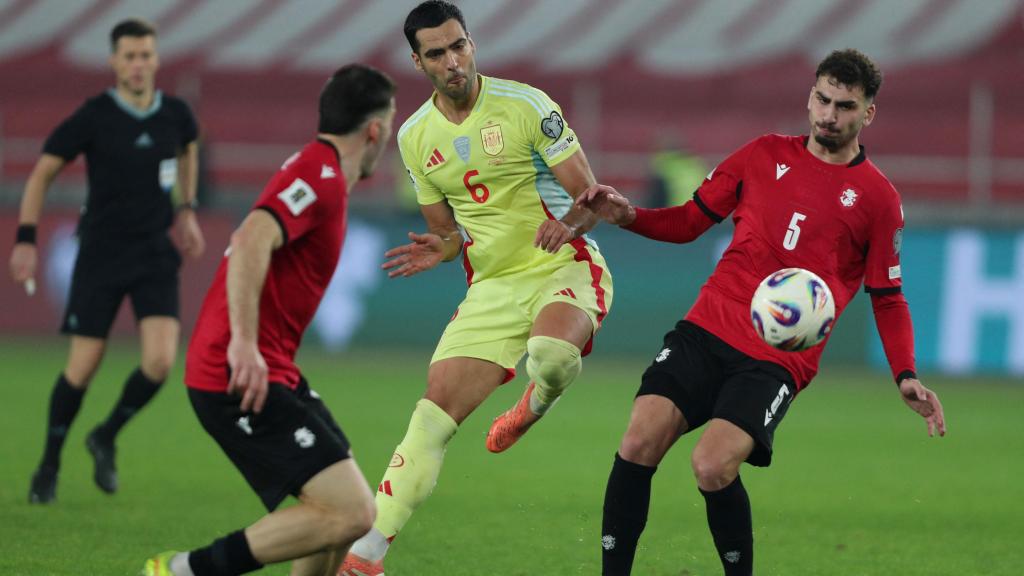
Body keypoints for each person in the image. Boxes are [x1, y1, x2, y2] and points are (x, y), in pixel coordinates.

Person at [578, 49, 947, 575]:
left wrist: (905, 374)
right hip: (706, 327)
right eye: (822, 100)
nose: (828, 115)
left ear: (868, 114)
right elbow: (688, 222)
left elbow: (887, 296)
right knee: (637, 441)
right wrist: (629, 216)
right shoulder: (762, 154)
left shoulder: (878, 198)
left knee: (711, 465)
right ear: (810, 97)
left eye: (844, 106)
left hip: (776, 358)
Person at [340, 1, 614, 573]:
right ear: (418, 62)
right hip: (492, 286)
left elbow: (592, 197)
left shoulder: (526, 106)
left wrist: (570, 224)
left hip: (562, 264)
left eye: (459, 45)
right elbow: (447, 232)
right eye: (437, 53)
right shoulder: (415, 137)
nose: (453, 61)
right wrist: (441, 248)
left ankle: (535, 403)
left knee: (552, 354)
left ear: (472, 44)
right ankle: (366, 555)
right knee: (432, 415)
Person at [140, 64, 397, 576]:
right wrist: (243, 343)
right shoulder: (320, 176)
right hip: (233, 370)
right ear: (374, 130)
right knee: (352, 512)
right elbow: (252, 237)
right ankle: (181, 571)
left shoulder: (321, 171)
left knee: (342, 514)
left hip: (269, 366)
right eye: (389, 124)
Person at [8, 18, 205, 504]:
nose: (138, 64)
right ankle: (49, 464)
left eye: (145, 55)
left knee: (160, 362)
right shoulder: (94, 116)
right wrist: (26, 239)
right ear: (114, 62)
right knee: (82, 367)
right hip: (101, 253)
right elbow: (42, 174)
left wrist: (186, 209)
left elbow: (188, 150)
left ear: (156, 60)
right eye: (129, 56)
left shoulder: (175, 114)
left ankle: (105, 434)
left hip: (154, 251)